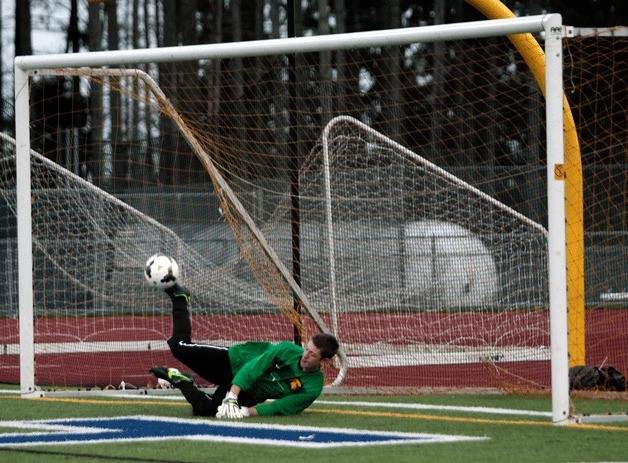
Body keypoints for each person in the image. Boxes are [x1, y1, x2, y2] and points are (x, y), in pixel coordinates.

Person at [150, 283, 339, 419]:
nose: (305, 355)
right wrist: (232, 396)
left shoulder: (313, 387)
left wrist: (246, 411)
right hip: (237, 362)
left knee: (206, 410)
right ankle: (180, 298)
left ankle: (182, 381)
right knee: (179, 347)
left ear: (324, 361)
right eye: (307, 348)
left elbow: (282, 407)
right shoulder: (287, 349)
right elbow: (254, 368)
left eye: (312, 354)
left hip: (251, 393)